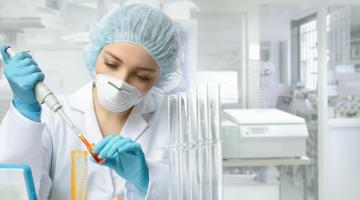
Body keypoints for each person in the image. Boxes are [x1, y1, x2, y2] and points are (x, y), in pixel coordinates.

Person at [0, 3, 181, 200]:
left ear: (161, 79)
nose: (121, 82)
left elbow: (197, 190)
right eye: (111, 64)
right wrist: (24, 113)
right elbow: (14, 190)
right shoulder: (53, 115)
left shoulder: (177, 117)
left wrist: (148, 181)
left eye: (142, 76)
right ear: (95, 54)